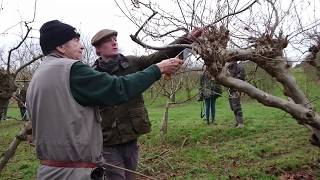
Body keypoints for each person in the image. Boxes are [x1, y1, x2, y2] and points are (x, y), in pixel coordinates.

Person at [26, 20, 183, 180]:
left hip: (49, 171)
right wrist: (159, 69)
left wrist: (186, 40)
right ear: (60, 47)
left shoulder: (38, 76)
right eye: (76, 41)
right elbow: (118, 88)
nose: (82, 46)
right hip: (75, 171)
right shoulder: (73, 70)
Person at [90, 27, 202, 180]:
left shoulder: (132, 62)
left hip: (131, 137)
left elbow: (158, 57)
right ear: (97, 49)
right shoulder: (92, 75)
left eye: (115, 39)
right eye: (108, 41)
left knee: (131, 176)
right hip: (107, 141)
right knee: (116, 177)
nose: (114, 42)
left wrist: (186, 39)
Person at [228, 61, 246, 128]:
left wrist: (231, 79)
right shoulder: (229, 67)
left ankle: (241, 123)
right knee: (233, 106)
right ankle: (237, 121)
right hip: (230, 89)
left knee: (237, 106)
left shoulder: (239, 67)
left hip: (237, 89)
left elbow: (241, 77)